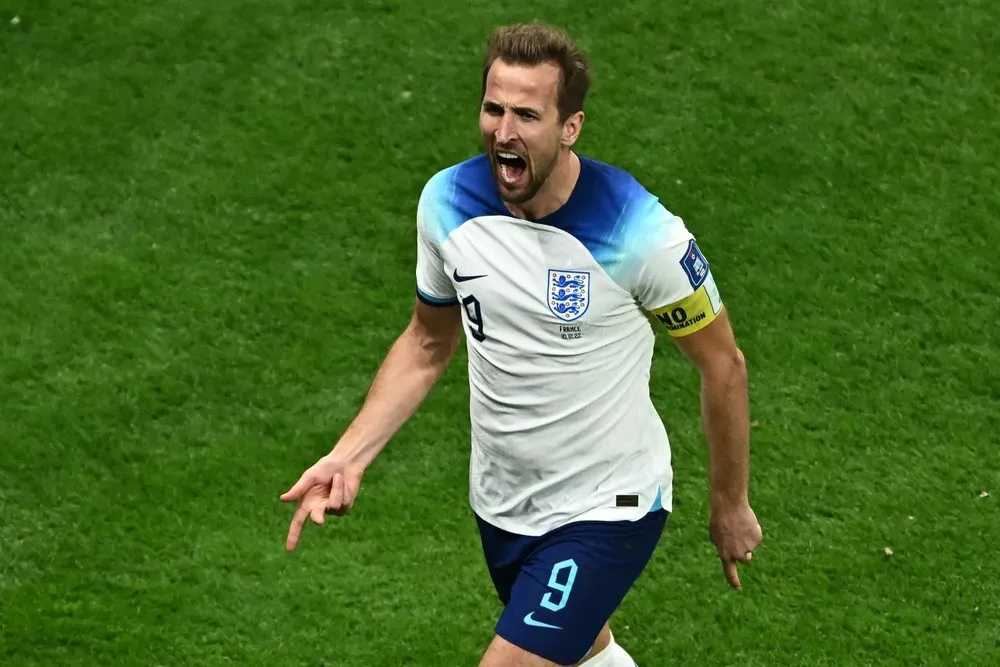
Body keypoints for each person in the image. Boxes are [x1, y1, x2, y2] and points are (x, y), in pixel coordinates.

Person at [280, 21, 762, 667]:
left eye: (527, 115)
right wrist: (350, 454)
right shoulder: (449, 202)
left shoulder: (637, 231)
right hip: (503, 500)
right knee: (587, 654)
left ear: (570, 127)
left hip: (607, 505)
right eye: (493, 108)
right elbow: (428, 340)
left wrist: (729, 502)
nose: (504, 132)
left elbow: (722, 363)